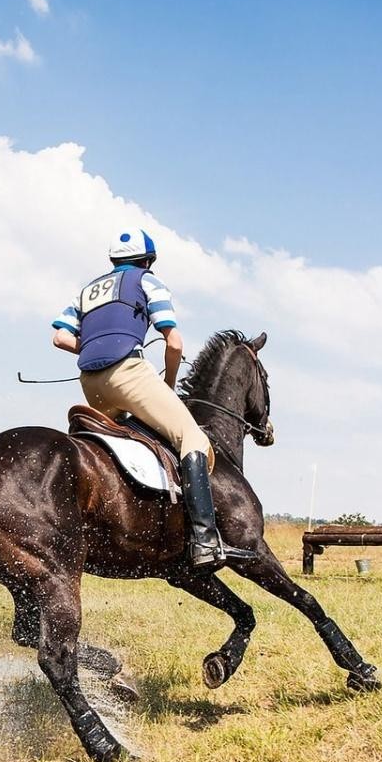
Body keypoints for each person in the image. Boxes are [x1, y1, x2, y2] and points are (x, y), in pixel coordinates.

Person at [51, 229, 240, 569]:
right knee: (191, 437)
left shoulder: (87, 291)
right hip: (128, 373)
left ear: (113, 261)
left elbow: (60, 337)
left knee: (128, 437)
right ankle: (205, 540)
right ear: (148, 260)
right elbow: (175, 343)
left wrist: (94, 346)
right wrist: (168, 384)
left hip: (90, 382)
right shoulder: (148, 281)